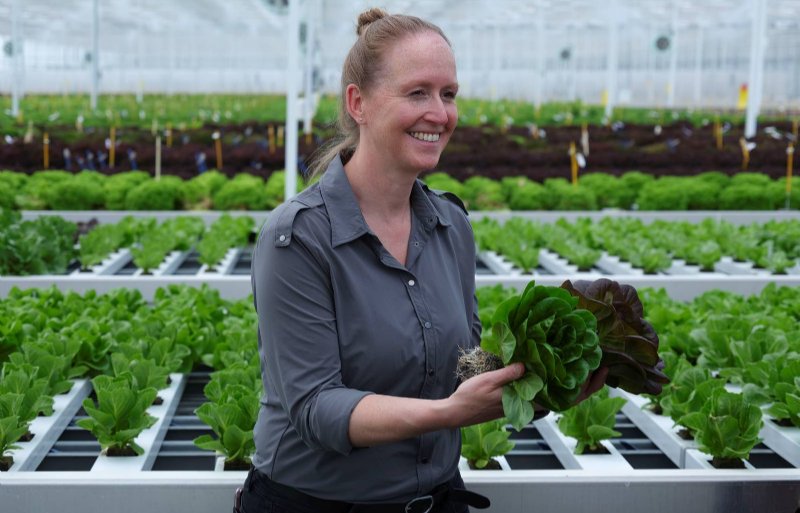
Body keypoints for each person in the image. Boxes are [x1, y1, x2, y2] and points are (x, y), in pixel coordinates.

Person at [242, 8, 607, 513]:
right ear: (359, 103)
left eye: (449, 94)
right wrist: (448, 412)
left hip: (435, 499)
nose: (439, 113)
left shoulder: (450, 225)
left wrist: (539, 383)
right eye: (417, 93)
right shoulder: (298, 238)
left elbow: (463, 365)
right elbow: (316, 408)